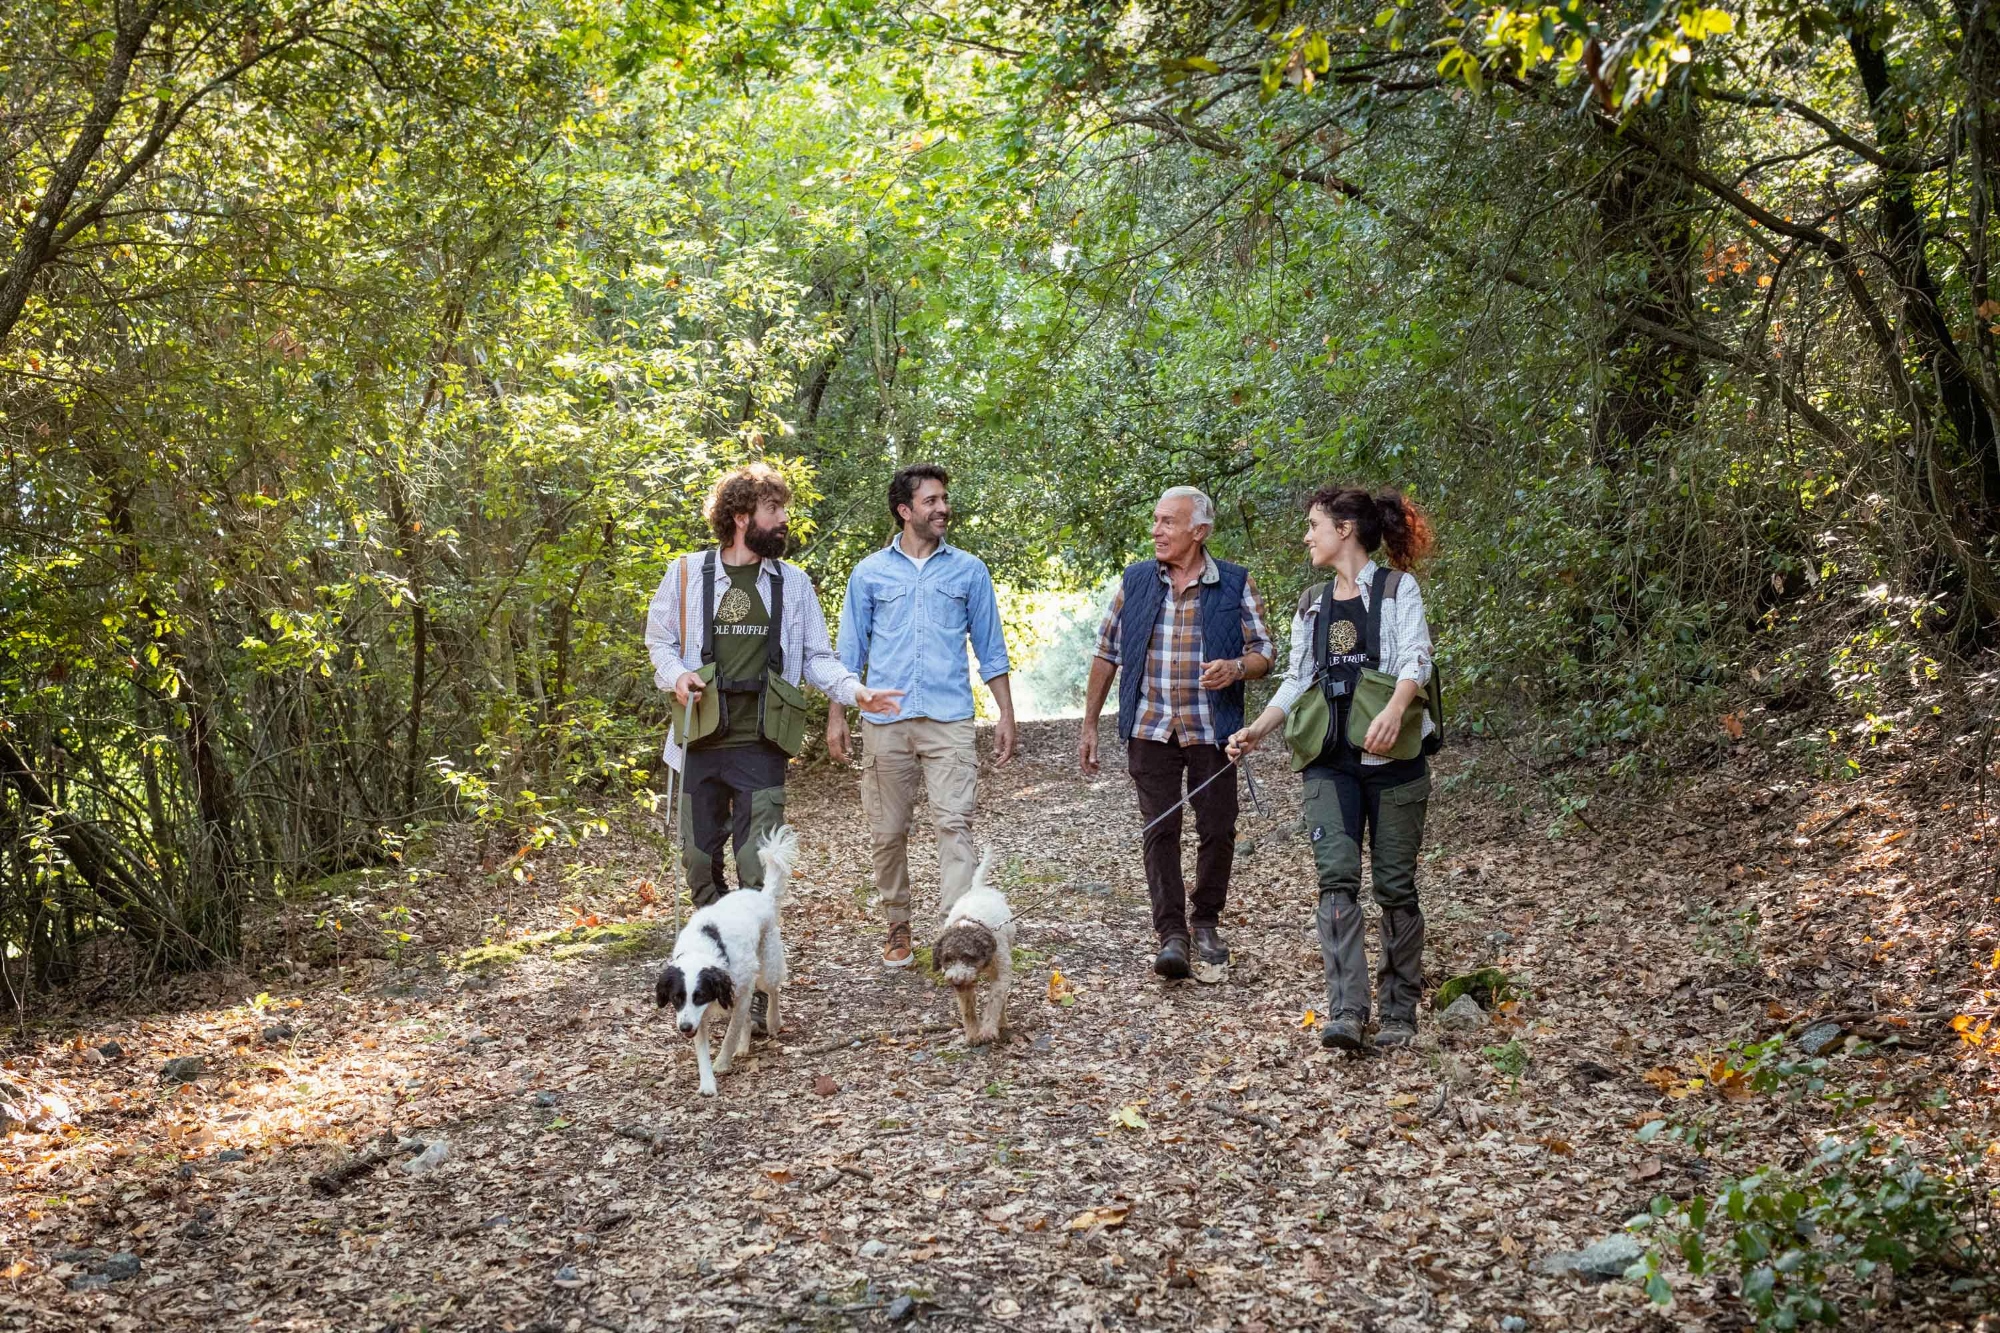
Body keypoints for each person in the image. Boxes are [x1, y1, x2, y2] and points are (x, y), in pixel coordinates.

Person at [644, 463, 904, 989]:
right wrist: (678, 675)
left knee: (756, 869)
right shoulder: (688, 574)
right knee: (698, 865)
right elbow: (659, 641)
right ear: (741, 517)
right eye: (774, 510)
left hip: (762, 743)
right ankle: (715, 974)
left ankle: (757, 988)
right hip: (698, 738)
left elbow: (816, 658)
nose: (784, 520)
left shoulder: (793, 583)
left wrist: (855, 692)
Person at [1226, 487, 1437, 1051]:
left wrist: (1395, 710)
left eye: (1314, 525)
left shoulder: (1398, 589)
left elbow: (1417, 656)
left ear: (1344, 529)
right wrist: (1255, 731)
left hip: (1395, 762)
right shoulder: (1311, 602)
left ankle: (1399, 1014)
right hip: (1329, 762)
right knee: (1335, 881)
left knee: (1395, 886)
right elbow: (1297, 680)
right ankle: (1346, 1011)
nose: (1307, 535)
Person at [1079, 486, 1274, 981]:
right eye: (1156, 520)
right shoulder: (1137, 580)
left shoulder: (1233, 583)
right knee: (1159, 828)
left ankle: (1205, 919)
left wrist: (1235, 668)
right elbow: (1107, 654)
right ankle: (1171, 934)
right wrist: (1089, 726)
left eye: (1168, 522)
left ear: (1199, 531)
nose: (1156, 531)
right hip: (1150, 727)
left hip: (1214, 730)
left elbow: (1265, 655)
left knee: (1217, 827)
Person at [831, 463, 1016, 969]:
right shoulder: (869, 573)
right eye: (931, 501)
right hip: (884, 720)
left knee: (954, 824)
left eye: (944, 499)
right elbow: (848, 655)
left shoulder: (969, 570)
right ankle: (897, 921)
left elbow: (990, 647)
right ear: (904, 510)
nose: (943, 508)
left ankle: (956, 931)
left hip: (949, 717)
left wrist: (1005, 712)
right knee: (887, 832)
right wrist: (837, 715)